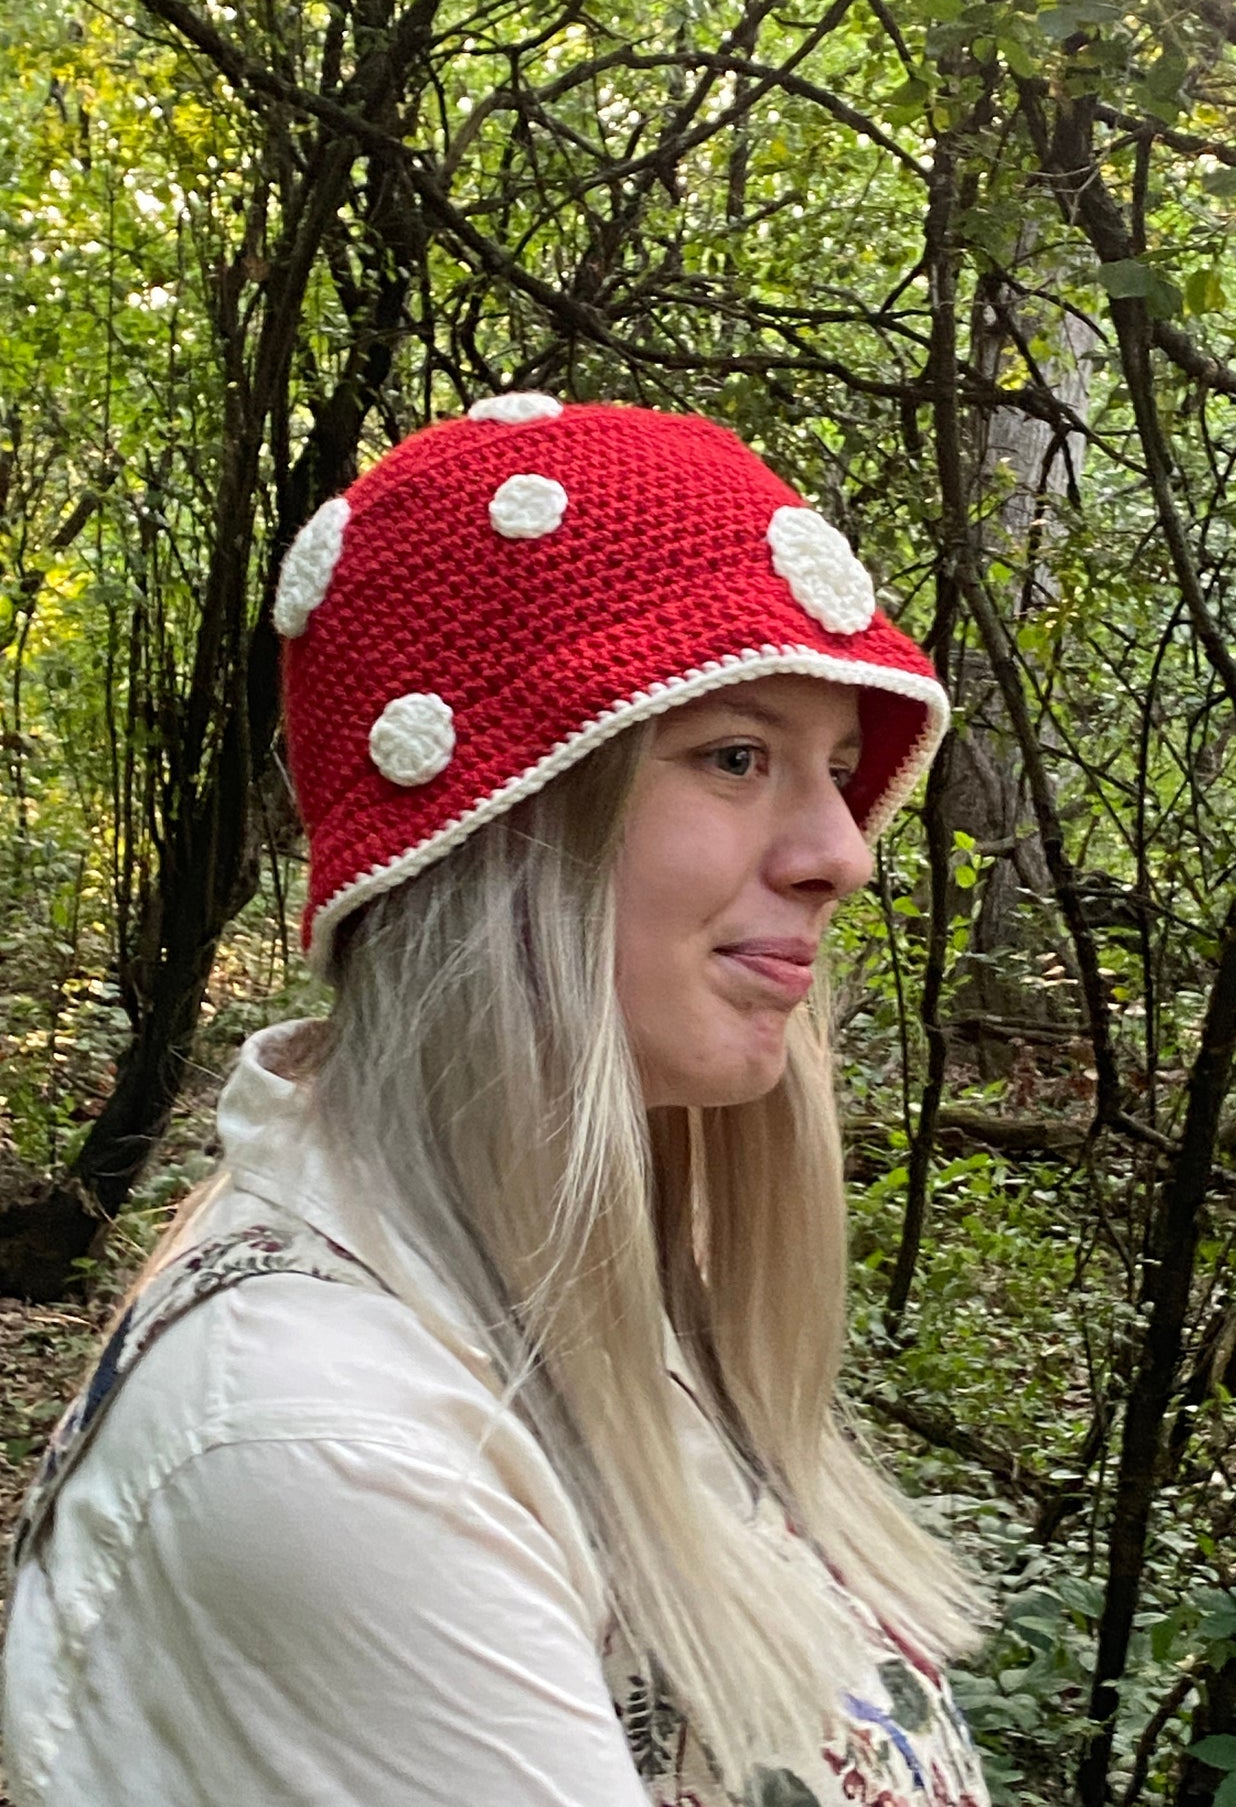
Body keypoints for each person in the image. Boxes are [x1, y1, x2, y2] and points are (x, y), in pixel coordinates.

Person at [2, 395, 990, 1806]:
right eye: (733, 755)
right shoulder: (338, 1446)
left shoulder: (565, 1288)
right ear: (493, 825)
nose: (844, 851)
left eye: (835, 771)